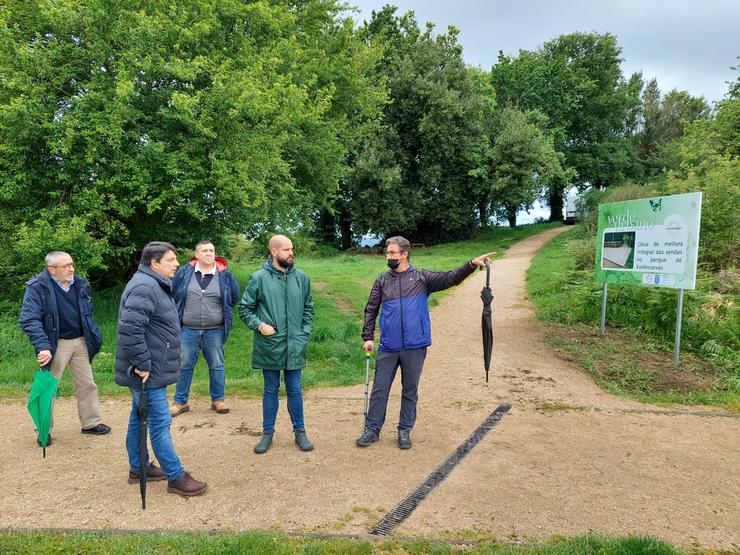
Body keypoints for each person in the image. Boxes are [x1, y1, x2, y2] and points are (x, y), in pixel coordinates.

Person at [357, 236, 494, 450]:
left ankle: (404, 430)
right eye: (388, 253)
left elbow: (450, 278)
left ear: (404, 254)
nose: (388, 256)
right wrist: (367, 336)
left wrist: (470, 265)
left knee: (410, 390)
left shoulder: (421, 278)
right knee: (380, 390)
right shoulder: (382, 281)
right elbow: (371, 309)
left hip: (415, 345)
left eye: (392, 253)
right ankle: (372, 429)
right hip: (388, 346)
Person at [115, 241, 207, 496]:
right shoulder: (145, 286)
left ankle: (139, 467)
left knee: (139, 418)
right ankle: (176, 477)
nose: (176, 264)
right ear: (154, 263)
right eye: (171, 260)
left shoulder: (152, 283)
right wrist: (143, 363)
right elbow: (130, 329)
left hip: (151, 368)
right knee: (159, 422)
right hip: (148, 372)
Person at [19, 251, 110, 446]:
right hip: (54, 344)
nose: (72, 269)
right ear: (52, 270)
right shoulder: (37, 287)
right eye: (66, 266)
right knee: (48, 388)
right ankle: (44, 430)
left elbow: (87, 314)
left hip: (81, 341)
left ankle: (90, 423)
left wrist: (94, 335)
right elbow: (29, 319)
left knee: (87, 384)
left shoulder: (80, 283)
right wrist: (42, 346)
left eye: (72, 264)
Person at [238, 234, 314, 454]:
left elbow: (309, 308)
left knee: (295, 389)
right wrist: (260, 325)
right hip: (270, 344)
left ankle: (300, 432)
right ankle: (267, 433)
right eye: (286, 250)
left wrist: (304, 332)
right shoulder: (259, 278)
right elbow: (245, 309)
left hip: (295, 345)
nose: (291, 253)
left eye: (292, 249)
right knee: (270, 389)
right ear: (274, 252)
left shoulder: (302, 278)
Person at [170, 240, 240, 417]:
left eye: (212, 250)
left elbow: (233, 297)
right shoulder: (184, 273)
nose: (209, 253)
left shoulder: (225, 275)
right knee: (184, 364)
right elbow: (173, 293)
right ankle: (180, 402)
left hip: (215, 329)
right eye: (205, 251)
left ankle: (218, 400)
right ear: (197, 254)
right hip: (188, 329)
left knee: (217, 365)